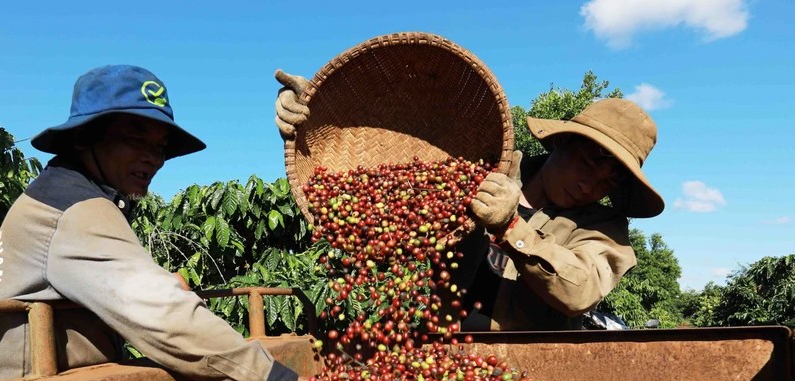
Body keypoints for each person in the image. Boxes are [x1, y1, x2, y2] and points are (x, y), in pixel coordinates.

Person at [0, 65, 311, 381]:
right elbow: (160, 313)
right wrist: (273, 379)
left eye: (159, 148)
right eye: (134, 140)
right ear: (83, 139)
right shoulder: (74, 208)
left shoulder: (65, 193)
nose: (152, 159)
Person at [274, 71, 664, 331]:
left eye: (609, 179)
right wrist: (322, 115)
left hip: (532, 370)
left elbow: (580, 292)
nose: (591, 184)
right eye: (588, 162)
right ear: (563, 141)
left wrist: (512, 226)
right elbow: (394, 172)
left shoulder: (606, 231)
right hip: (440, 345)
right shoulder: (487, 165)